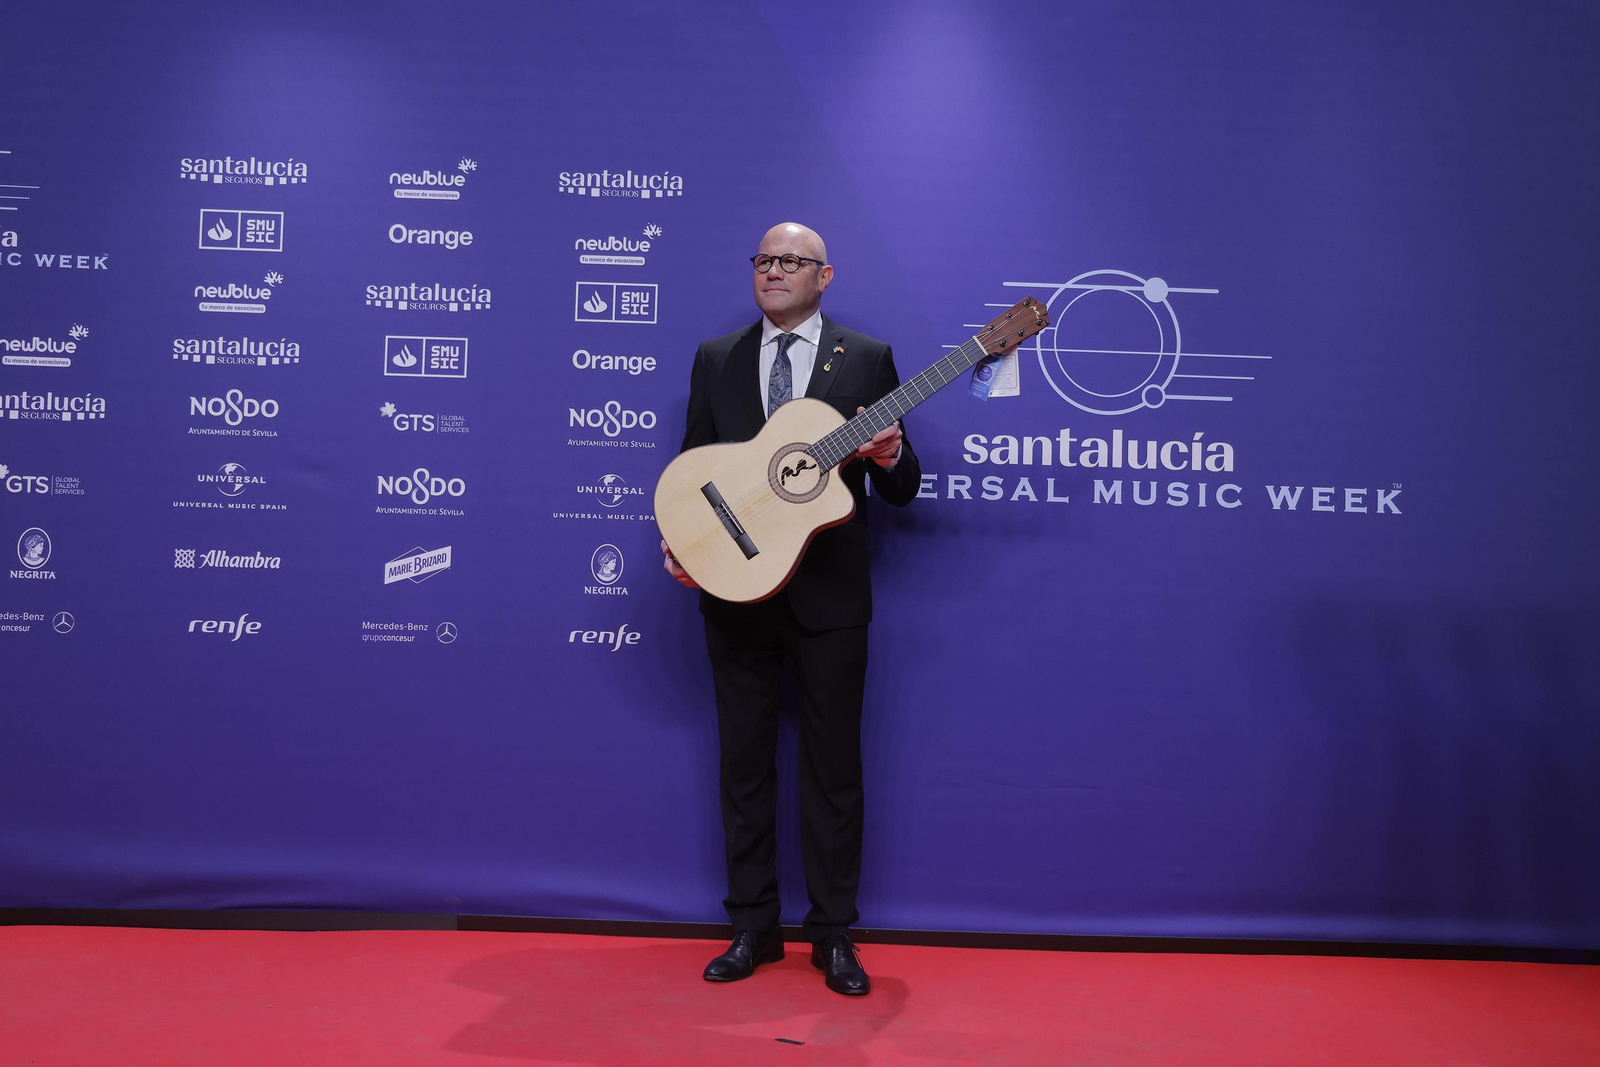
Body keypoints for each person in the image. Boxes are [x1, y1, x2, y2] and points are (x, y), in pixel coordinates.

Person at [660, 222, 921, 996]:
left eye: (791, 261)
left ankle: (835, 934)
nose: (774, 271)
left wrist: (890, 454)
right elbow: (692, 466)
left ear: (825, 275)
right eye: (764, 259)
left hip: (830, 600)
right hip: (735, 596)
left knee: (833, 768)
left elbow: (903, 487)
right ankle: (752, 927)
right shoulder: (717, 358)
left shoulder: (869, 360)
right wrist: (684, 544)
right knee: (743, 765)